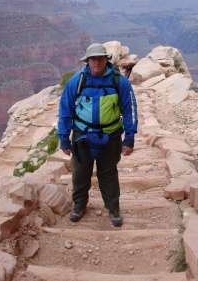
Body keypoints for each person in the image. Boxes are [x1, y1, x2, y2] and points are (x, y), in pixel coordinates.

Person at [58, 43, 138, 227]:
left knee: (108, 172)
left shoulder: (119, 82)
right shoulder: (77, 81)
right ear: (87, 60)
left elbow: (130, 111)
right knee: (80, 173)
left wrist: (130, 138)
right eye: (93, 58)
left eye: (100, 58)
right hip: (81, 135)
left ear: (106, 59)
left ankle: (113, 208)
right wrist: (63, 138)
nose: (97, 62)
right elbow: (65, 110)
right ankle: (79, 205)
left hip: (110, 135)